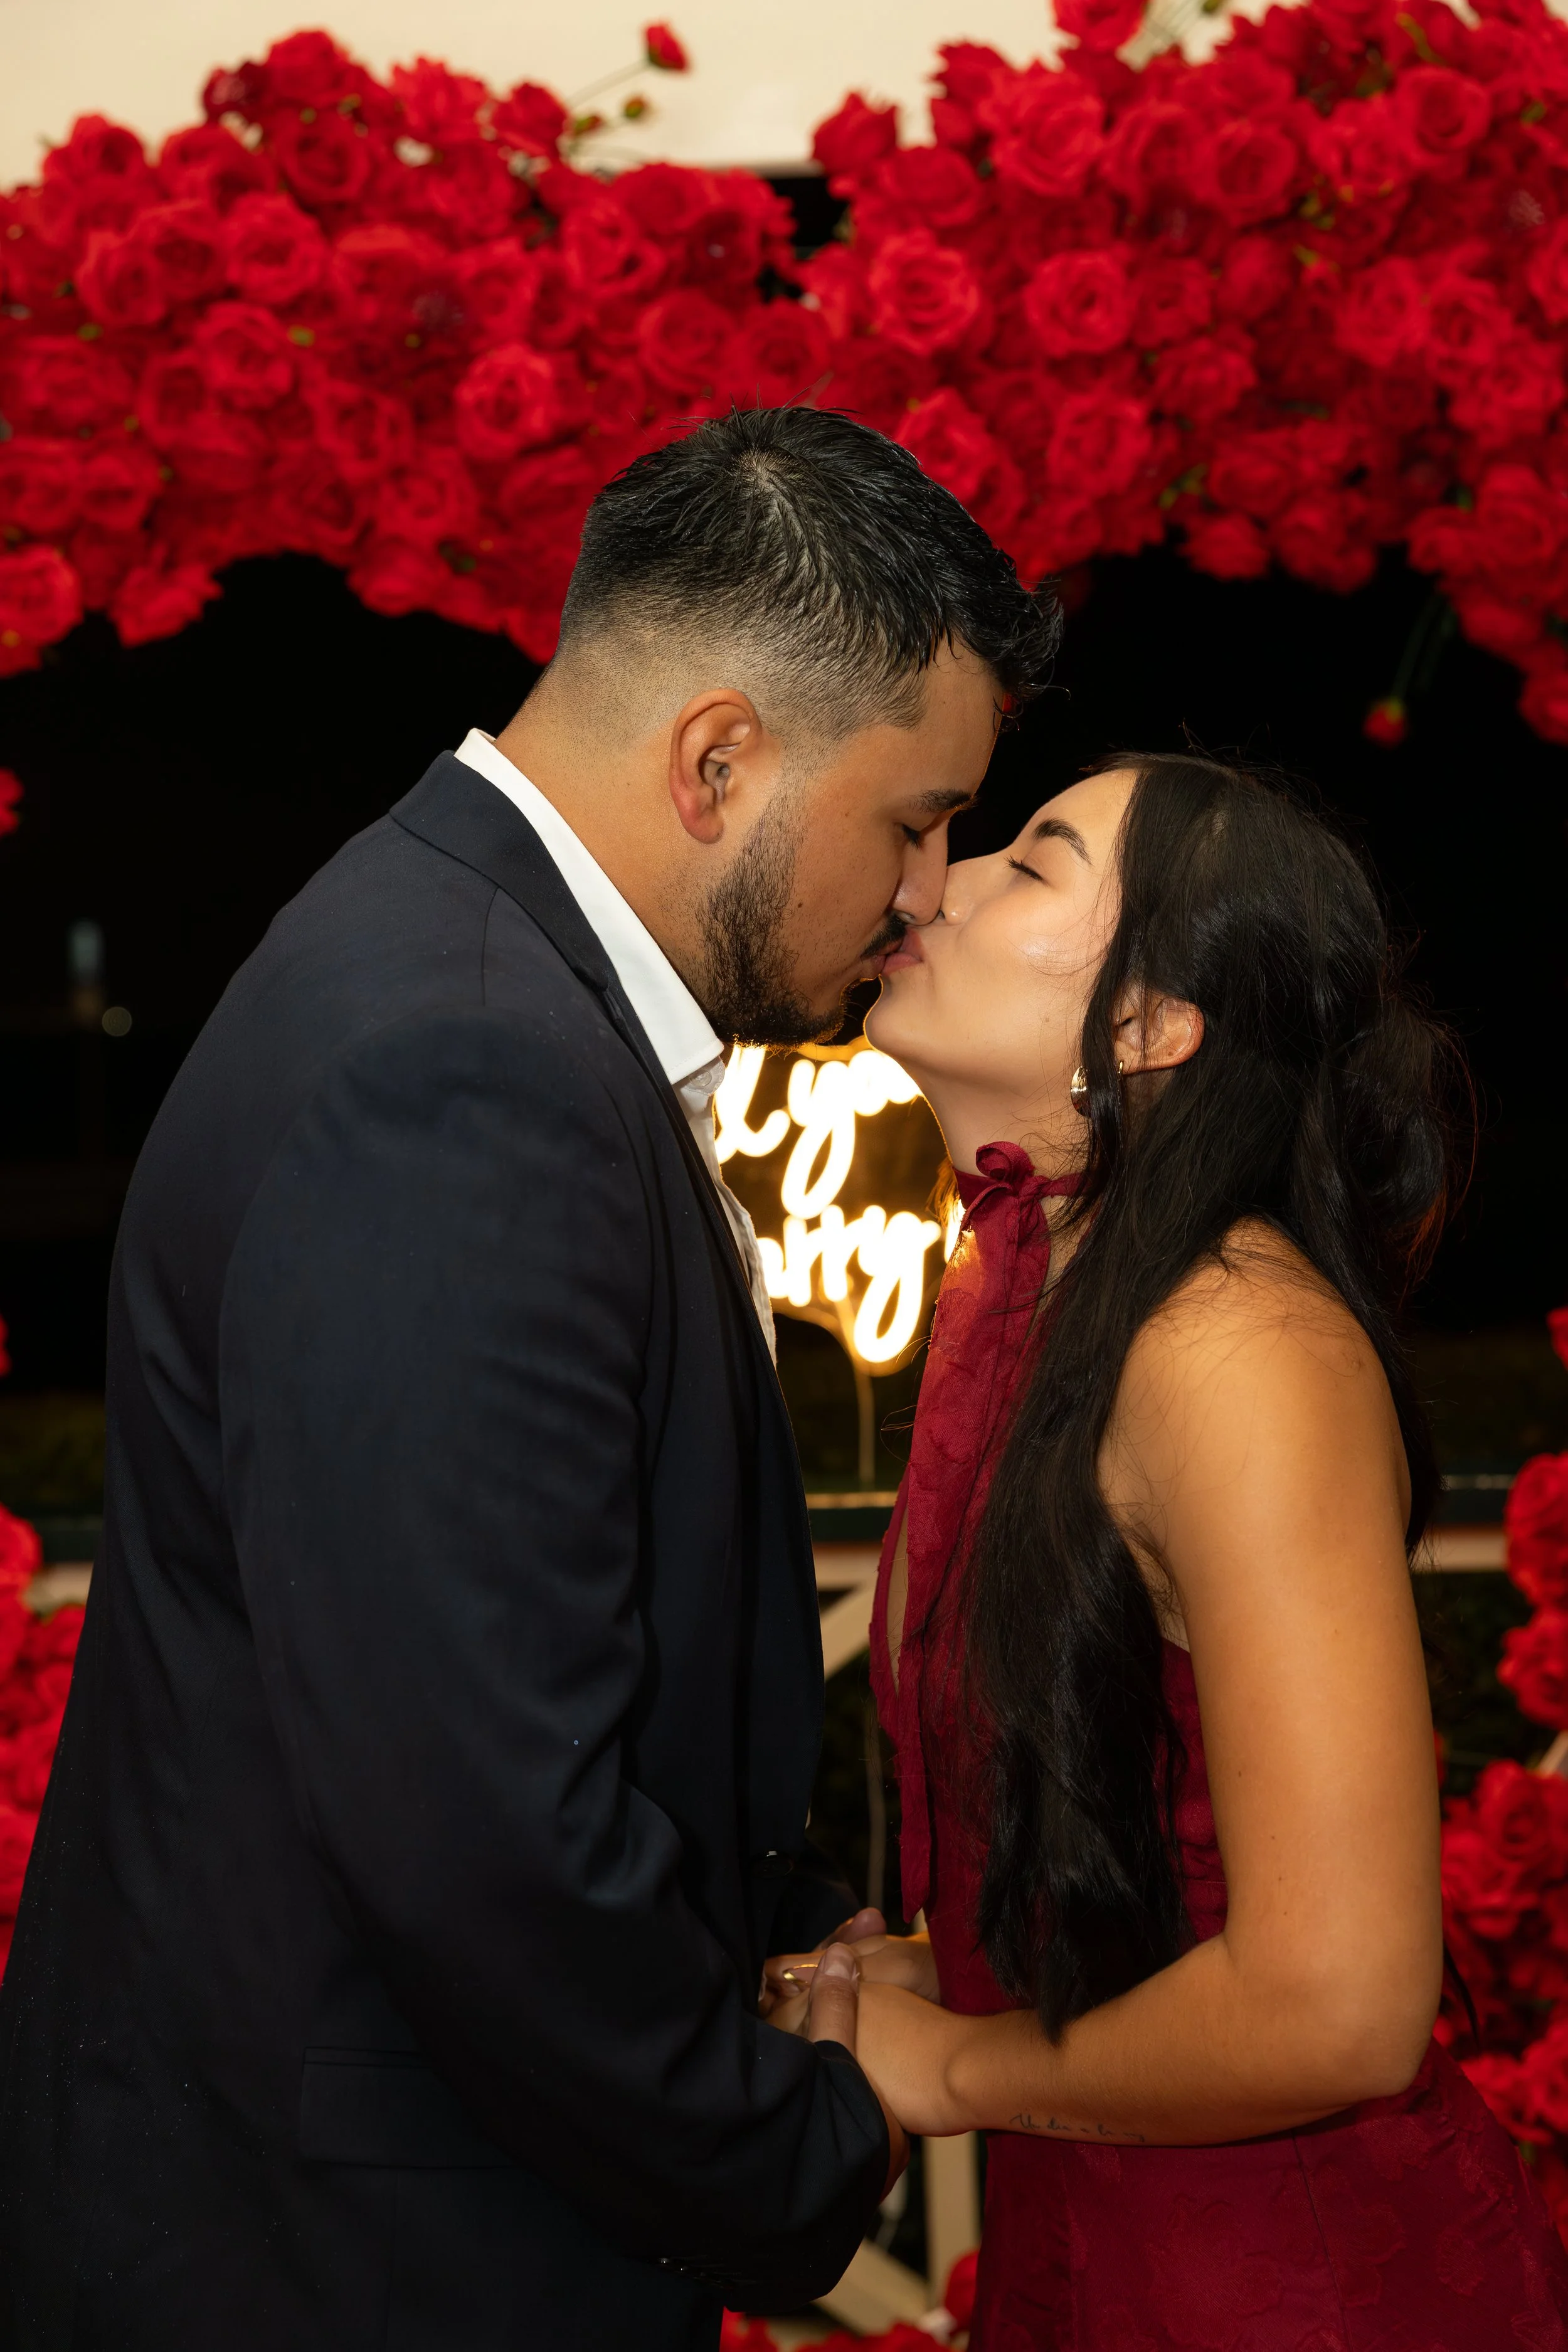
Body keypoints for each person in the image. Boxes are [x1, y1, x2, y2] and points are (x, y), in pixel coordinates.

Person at [0, 408, 1059, 2351]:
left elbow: (540, 1664)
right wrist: (795, 2142)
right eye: (915, 818)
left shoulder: (468, 979)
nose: (926, 890)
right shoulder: (464, 1066)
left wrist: (788, 1908)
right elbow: (479, 1813)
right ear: (718, 757)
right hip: (347, 2268)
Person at [768, 753, 1568, 2346]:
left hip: (1293, 2286)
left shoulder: (1235, 1342)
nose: (940, 879)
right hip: (1103, 2263)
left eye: (1031, 862)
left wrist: (961, 2067)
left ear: (1148, 1026)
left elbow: (1338, 2004)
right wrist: (947, 1969)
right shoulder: (1018, 1300)